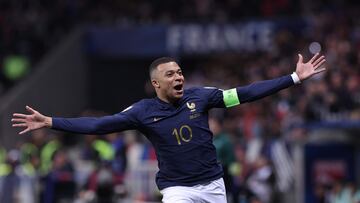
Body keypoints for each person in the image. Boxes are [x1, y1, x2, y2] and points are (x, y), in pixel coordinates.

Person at [12, 53, 326, 202]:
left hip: (214, 186)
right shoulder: (142, 111)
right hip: (178, 189)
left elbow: (246, 93)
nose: (179, 77)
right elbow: (100, 124)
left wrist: (294, 78)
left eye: (180, 72)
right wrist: (50, 122)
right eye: (171, 74)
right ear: (156, 82)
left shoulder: (202, 98)